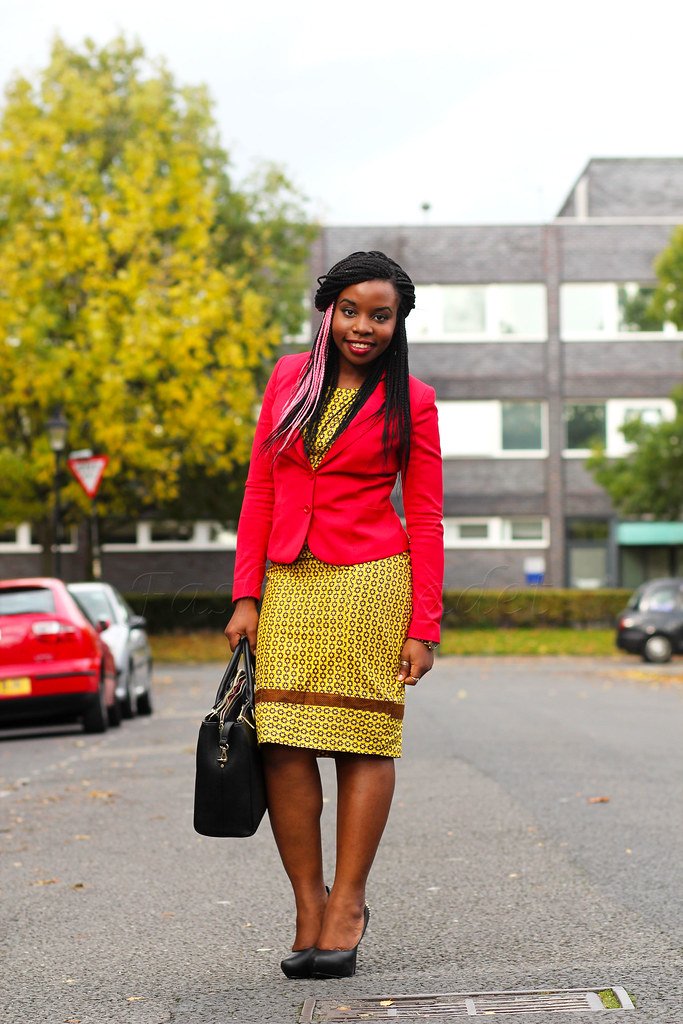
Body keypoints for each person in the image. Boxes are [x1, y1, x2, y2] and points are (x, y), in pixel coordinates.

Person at [225, 250, 444, 980]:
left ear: (397, 322)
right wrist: (245, 594)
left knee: (361, 740)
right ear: (328, 310)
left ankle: (347, 904)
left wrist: (424, 625)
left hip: (370, 581)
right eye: (350, 310)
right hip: (287, 579)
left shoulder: (412, 400)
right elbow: (260, 487)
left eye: (379, 315)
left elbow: (426, 516)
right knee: (281, 744)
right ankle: (306, 905)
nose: (363, 326)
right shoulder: (289, 378)